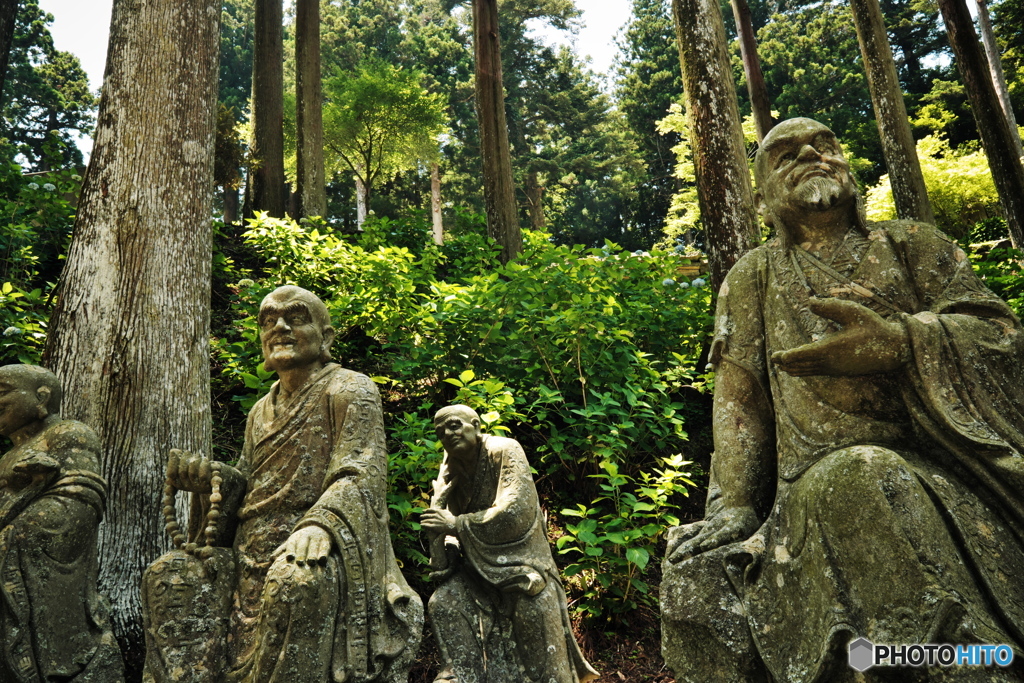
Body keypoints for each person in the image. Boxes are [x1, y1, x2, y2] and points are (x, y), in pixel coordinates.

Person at [661, 118, 1024, 682]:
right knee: (861, 473)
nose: (810, 153)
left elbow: (1002, 338)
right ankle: (949, 664)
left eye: (824, 144)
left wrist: (903, 343)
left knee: (884, 480)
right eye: (786, 154)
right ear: (762, 196)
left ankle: (973, 658)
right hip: (818, 479)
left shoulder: (914, 247)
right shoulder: (752, 277)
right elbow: (742, 403)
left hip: (952, 464)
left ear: (849, 166)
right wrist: (732, 505)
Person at [151, 286, 422, 683]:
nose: (278, 327)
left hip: (316, 549)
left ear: (325, 337)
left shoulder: (349, 389)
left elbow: (361, 470)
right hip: (247, 553)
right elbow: (246, 481)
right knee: (170, 574)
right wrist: (210, 480)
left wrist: (320, 525)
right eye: (267, 321)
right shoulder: (261, 410)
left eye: (294, 318)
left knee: (296, 580)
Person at [421, 404, 599, 683]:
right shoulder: (449, 469)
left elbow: (516, 511)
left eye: (454, 425)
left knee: (534, 606)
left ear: (476, 425)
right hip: (476, 570)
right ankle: (459, 674)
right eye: (440, 430)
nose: (447, 433)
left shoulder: (504, 450)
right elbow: (447, 544)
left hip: (522, 566)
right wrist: (440, 531)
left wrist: (454, 524)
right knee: (443, 601)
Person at [0, 364, 124, 682]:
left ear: (41, 396)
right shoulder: (6, 457)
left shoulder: (69, 432)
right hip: (14, 537)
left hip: (46, 548)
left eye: (2, 391)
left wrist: (32, 487)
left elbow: (80, 499)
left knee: (19, 536)